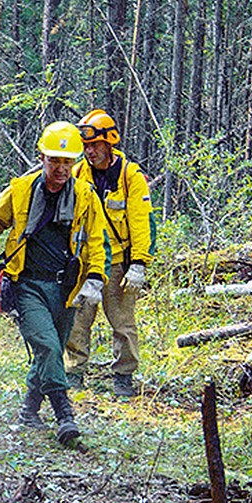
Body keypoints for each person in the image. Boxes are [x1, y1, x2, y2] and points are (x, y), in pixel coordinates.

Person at [0, 121, 107, 446]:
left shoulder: (84, 196)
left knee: (50, 351)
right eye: (55, 161)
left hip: (65, 289)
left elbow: (94, 240)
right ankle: (65, 416)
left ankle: (29, 411)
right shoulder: (21, 189)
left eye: (68, 162)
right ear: (42, 158)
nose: (61, 168)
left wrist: (94, 278)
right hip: (27, 285)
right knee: (48, 346)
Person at [64, 109, 156, 398]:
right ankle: (74, 373)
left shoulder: (130, 176)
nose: (90, 151)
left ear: (109, 143)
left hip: (118, 264)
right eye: (86, 146)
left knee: (122, 322)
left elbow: (143, 222)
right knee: (78, 318)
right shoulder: (78, 173)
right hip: (86, 261)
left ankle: (123, 377)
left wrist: (138, 263)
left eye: (94, 145)